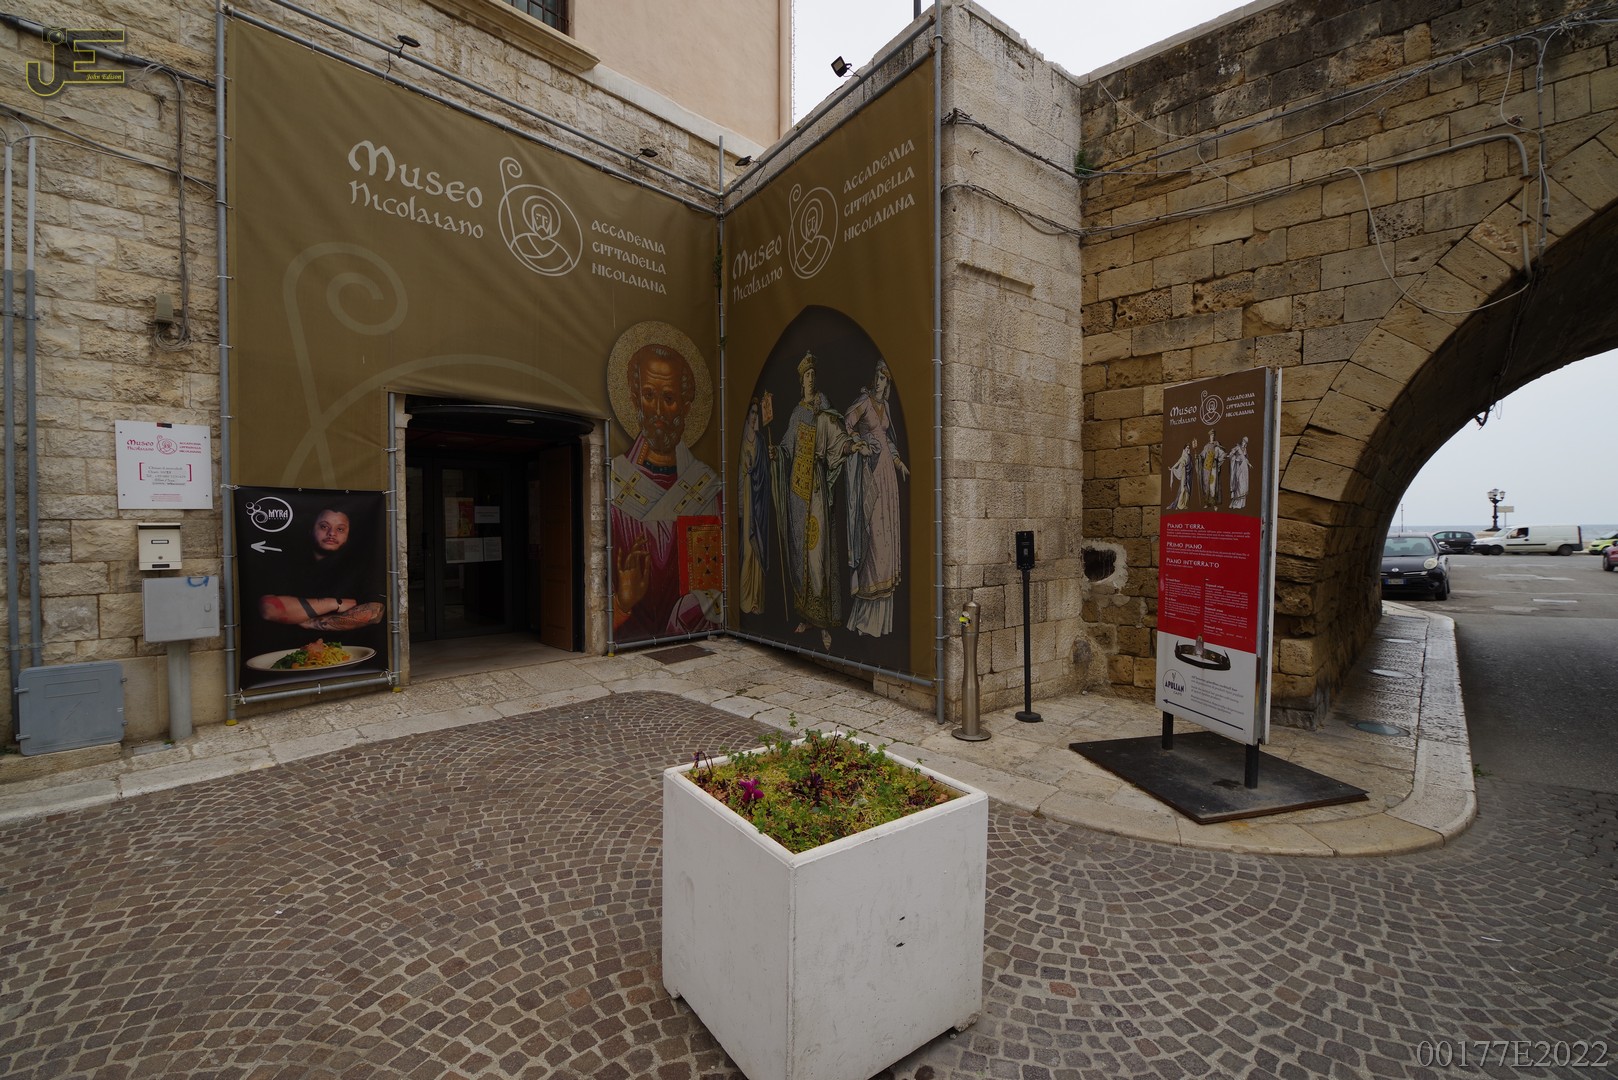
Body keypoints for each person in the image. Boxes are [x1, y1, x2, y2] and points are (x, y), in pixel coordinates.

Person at [609, 342, 723, 641]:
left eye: (669, 398)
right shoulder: (614, 482)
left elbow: (716, 581)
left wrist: (690, 610)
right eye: (649, 396)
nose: (658, 411)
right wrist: (622, 603)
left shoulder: (706, 487)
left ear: (686, 407)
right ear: (635, 400)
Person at [769, 352, 855, 649]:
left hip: (816, 486)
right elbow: (786, 447)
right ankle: (806, 617)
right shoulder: (797, 413)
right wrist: (777, 454)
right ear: (801, 380)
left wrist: (849, 446)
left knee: (818, 553)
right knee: (800, 553)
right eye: (807, 375)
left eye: (813, 374)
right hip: (797, 492)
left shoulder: (822, 406)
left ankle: (823, 624)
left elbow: (836, 437)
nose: (811, 379)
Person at [842, 359, 908, 638]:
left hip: (888, 477)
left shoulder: (886, 407)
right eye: (878, 378)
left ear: (888, 383)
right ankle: (864, 619)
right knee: (874, 540)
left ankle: (880, 622)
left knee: (887, 539)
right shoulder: (865, 401)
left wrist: (898, 461)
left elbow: (887, 438)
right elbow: (847, 424)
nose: (880, 383)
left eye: (884, 379)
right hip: (870, 476)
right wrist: (860, 444)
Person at [257, 507, 385, 644]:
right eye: (324, 526)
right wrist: (335, 603)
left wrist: (309, 621)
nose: (332, 533)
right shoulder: (286, 562)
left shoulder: (362, 566)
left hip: (346, 651)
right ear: (311, 529)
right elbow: (269, 609)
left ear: (347, 536)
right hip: (289, 650)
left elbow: (374, 613)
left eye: (340, 529)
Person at [738, 396, 770, 615]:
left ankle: (756, 600)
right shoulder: (741, 441)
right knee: (747, 550)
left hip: (758, 503)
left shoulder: (760, 440)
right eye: (751, 412)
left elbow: (765, 473)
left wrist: (760, 467)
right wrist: (746, 470)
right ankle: (744, 599)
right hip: (746, 499)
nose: (754, 417)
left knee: (757, 552)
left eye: (757, 413)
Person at [1199, 430, 1226, 510]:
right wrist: (1198, 457)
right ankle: (1207, 503)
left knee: (1213, 485)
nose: (1212, 437)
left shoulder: (1216, 444)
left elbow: (1222, 453)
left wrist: (1219, 458)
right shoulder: (1206, 446)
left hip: (1213, 467)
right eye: (1211, 435)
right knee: (1206, 485)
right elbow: (1202, 455)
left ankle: (1214, 504)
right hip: (1206, 469)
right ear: (1209, 436)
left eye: (1213, 435)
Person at [1167, 440, 1195, 512]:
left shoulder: (1190, 457)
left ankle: (1184, 504)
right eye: (1187, 448)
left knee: (1187, 491)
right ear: (1184, 449)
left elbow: (1191, 466)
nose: (1188, 449)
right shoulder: (1183, 457)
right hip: (1183, 474)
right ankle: (1179, 505)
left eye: (1189, 448)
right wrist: (1172, 468)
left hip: (1188, 475)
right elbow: (1178, 462)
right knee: (1183, 490)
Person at [1227, 435, 1252, 509]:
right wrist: (1231, 457)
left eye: (1246, 442)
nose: (1244, 443)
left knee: (1243, 485)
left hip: (1244, 469)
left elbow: (1245, 459)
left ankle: (1241, 504)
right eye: (1244, 441)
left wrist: (1249, 464)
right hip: (1238, 468)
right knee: (1239, 484)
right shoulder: (1237, 447)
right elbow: (1231, 453)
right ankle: (1236, 503)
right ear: (1242, 441)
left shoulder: (1245, 449)